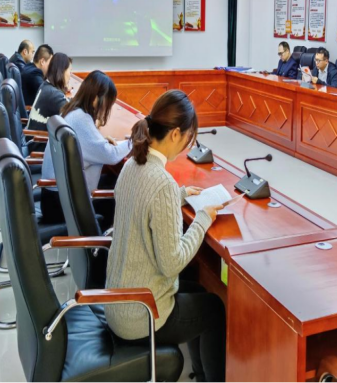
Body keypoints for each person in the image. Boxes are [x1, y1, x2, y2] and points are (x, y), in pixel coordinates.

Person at [106, 90, 226, 383]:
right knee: (214, 310)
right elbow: (172, 264)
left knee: (200, 292)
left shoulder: (132, 164)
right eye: (188, 138)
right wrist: (202, 220)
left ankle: (200, 374)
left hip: (118, 303)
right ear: (175, 134)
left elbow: (144, 204)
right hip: (141, 315)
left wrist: (179, 196)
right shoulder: (162, 184)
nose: (186, 146)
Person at [39, 71, 131, 228]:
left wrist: (101, 142)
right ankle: (104, 241)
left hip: (53, 197)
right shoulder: (81, 119)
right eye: (108, 103)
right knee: (122, 196)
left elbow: (87, 145)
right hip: (63, 204)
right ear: (96, 99)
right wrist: (134, 141)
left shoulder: (71, 110)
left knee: (111, 179)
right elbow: (111, 155)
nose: (107, 108)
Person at [26, 53, 72, 152]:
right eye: (70, 70)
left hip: (33, 142)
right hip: (39, 147)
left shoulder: (46, 85)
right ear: (62, 71)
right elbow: (73, 115)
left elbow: (67, 103)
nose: (70, 75)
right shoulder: (53, 94)